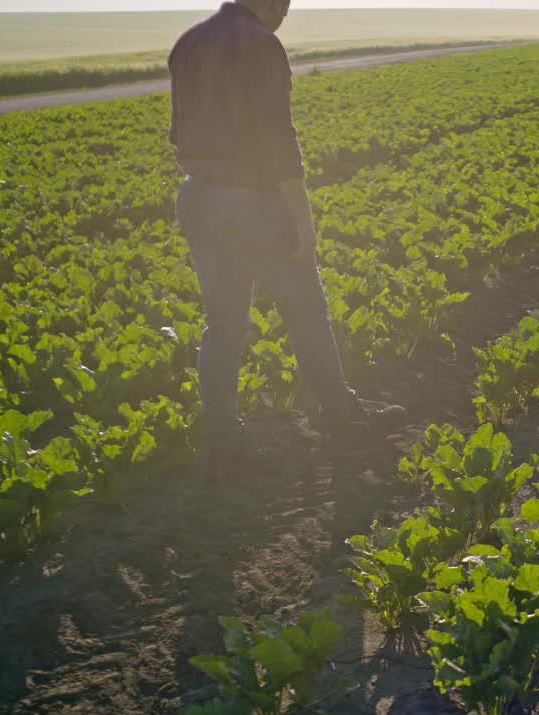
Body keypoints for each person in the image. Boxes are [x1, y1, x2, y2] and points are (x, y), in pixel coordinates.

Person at [168, 0, 404, 466]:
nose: (284, 12)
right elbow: (279, 138)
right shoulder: (261, 45)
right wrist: (302, 215)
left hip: (196, 197)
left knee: (224, 322)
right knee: (305, 310)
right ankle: (342, 417)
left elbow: (178, 134)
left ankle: (221, 438)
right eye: (281, 2)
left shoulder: (188, 43)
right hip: (252, 200)